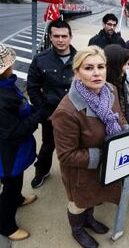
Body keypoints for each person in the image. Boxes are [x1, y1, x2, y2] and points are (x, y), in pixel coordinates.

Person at [51, 46, 125, 248]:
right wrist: (104, 155)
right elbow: (65, 155)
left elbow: (119, 116)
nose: (97, 73)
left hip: (102, 167)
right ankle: (77, 229)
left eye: (101, 66)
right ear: (77, 72)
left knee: (94, 197)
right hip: (80, 172)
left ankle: (89, 219)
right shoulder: (67, 111)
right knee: (78, 203)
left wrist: (125, 131)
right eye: (88, 68)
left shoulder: (110, 90)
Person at [0, 44, 50, 241]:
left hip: (12, 150)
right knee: (10, 185)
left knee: (15, 181)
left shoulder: (6, 86)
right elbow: (13, 131)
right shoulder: (1, 98)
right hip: (7, 152)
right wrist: (38, 115)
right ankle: (6, 226)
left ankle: (18, 199)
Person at [27, 19, 77, 188]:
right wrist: (44, 112)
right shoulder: (40, 60)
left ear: (71, 37)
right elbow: (32, 88)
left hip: (76, 114)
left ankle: (75, 178)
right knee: (48, 146)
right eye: (56, 36)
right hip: (51, 114)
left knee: (75, 148)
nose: (60, 40)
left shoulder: (81, 59)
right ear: (50, 37)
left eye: (64, 36)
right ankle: (41, 172)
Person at [104, 44, 129, 118]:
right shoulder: (104, 89)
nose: (128, 67)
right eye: (125, 64)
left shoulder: (121, 80)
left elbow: (126, 106)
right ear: (115, 65)